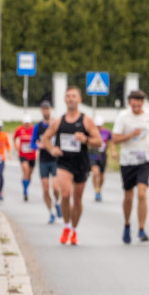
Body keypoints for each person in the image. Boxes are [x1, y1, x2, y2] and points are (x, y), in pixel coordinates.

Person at [38, 86, 103, 245]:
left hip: (81, 163)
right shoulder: (59, 121)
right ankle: (66, 225)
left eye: (74, 96)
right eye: (68, 96)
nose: (71, 99)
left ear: (79, 99)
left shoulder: (86, 120)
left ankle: (74, 230)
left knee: (77, 199)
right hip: (64, 163)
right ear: (65, 100)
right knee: (65, 194)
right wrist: (52, 149)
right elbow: (46, 138)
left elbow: (99, 141)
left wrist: (85, 139)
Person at [111, 90, 149, 243]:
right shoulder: (123, 117)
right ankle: (127, 225)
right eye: (133, 105)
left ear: (143, 103)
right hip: (127, 160)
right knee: (128, 196)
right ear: (129, 103)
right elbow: (115, 138)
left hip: (145, 159)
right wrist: (130, 135)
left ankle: (141, 229)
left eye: (138, 105)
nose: (136, 107)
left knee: (142, 193)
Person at [31, 101, 62, 223]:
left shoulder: (55, 124)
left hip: (54, 159)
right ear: (41, 111)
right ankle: (51, 212)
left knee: (55, 187)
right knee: (45, 189)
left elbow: (60, 139)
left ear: (50, 110)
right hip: (43, 160)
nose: (46, 111)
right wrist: (38, 146)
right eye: (43, 109)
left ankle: (58, 203)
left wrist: (56, 147)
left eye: (47, 109)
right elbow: (32, 143)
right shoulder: (37, 127)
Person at [13, 114, 37, 201]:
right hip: (23, 154)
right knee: (25, 170)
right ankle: (25, 191)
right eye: (25, 123)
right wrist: (16, 146)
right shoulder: (19, 130)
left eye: (28, 123)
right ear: (22, 123)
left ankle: (26, 186)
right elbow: (14, 138)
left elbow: (38, 139)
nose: (26, 125)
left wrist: (36, 146)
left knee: (29, 174)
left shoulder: (34, 129)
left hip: (32, 155)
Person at [89, 123, 112, 202]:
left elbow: (111, 141)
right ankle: (96, 190)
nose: (98, 127)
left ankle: (99, 189)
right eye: (97, 126)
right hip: (93, 155)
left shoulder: (106, 132)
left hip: (102, 156)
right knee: (95, 173)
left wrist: (113, 151)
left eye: (100, 126)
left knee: (101, 175)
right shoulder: (91, 132)